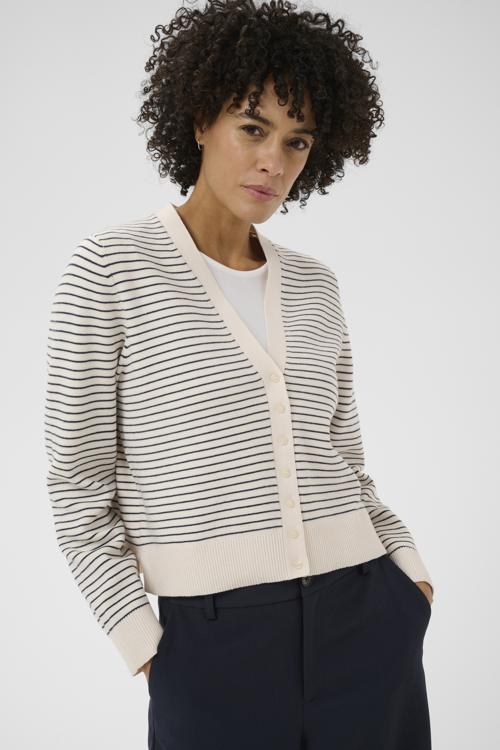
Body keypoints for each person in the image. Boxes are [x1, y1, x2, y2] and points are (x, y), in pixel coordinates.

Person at [44, 1, 435, 748]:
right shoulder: (111, 269)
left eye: (297, 141)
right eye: (253, 128)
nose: (274, 163)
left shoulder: (316, 284)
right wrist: (144, 642)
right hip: (211, 644)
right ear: (199, 119)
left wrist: (409, 579)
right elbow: (77, 484)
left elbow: (345, 458)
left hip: (367, 615)